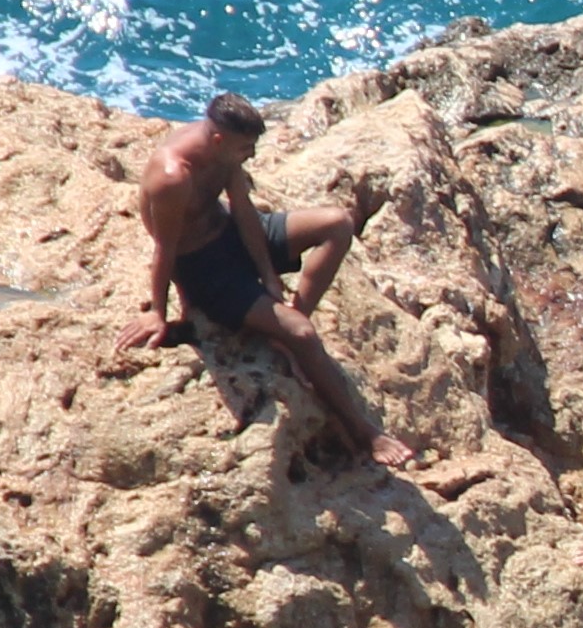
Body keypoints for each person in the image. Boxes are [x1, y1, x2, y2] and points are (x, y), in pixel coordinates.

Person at [111, 92, 413, 472]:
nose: (251, 156)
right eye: (245, 148)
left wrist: (269, 277)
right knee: (302, 335)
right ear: (219, 139)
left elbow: (244, 211)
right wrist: (160, 311)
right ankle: (365, 433)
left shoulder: (223, 153)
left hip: (232, 235)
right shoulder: (174, 175)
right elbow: (165, 249)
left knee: (337, 223)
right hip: (207, 270)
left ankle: (283, 325)